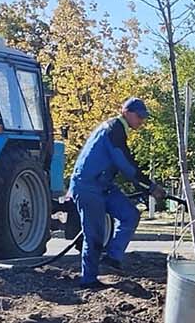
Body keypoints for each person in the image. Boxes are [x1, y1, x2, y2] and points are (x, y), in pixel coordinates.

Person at [68, 98, 164, 287]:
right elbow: (125, 164)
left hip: (103, 185)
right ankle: (88, 280)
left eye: (143, 117)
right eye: (139, 116)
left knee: (130, 215)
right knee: (94, 235)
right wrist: (150, 187)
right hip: (88, 186)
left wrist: (145, 187)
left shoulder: (117, 130)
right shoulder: (113, 130)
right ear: (126, 112)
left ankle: (112, 258)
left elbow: (124, 164)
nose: (141, 121)